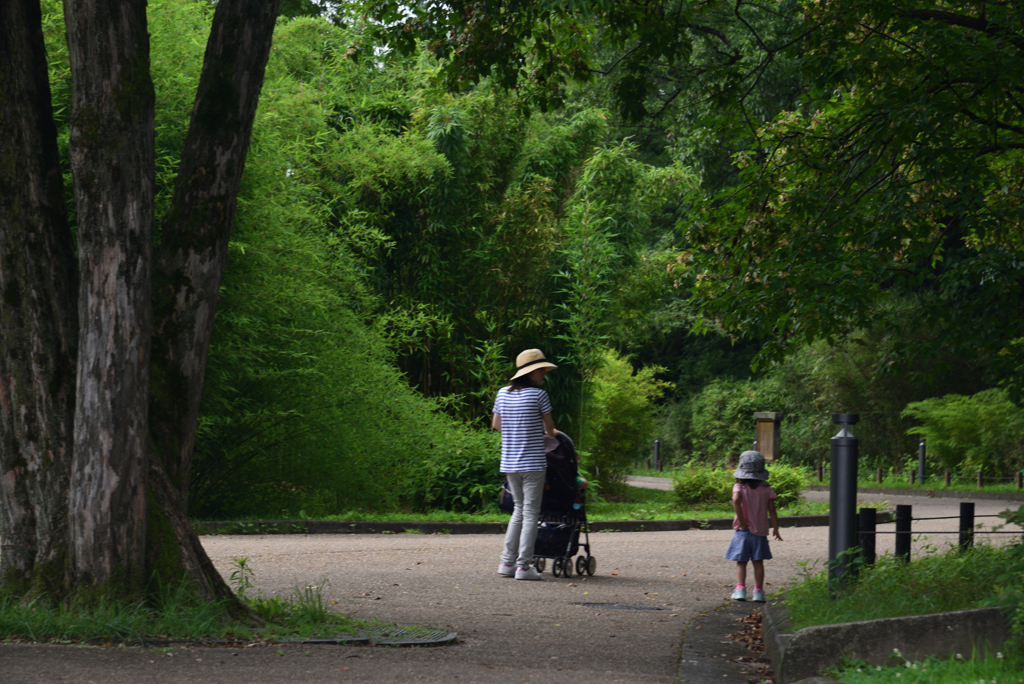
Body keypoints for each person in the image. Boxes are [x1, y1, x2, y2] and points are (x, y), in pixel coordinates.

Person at [492, 349, 558, 581]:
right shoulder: (539, 395)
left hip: (510, 462)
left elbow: (496, 424)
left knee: (518, 510)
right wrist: (547, 432)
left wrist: (516, 430)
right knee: (530, 513)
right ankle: (523, 566)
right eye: (541, 370)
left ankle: (506, 563)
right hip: (533, 463)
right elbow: (549, 429)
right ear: (529, 372)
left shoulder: (502, 393)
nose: (544, 375)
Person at [725, 450, 782, 602]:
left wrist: (742, 520)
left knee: (741, 562)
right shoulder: (766, 489)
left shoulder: (739, 487)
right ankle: (758, 592)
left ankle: (740, 590)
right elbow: (772, 510)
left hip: (743, 531)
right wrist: (776, 528)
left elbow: (736, 500)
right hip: (760, 531)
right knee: (758, 562)